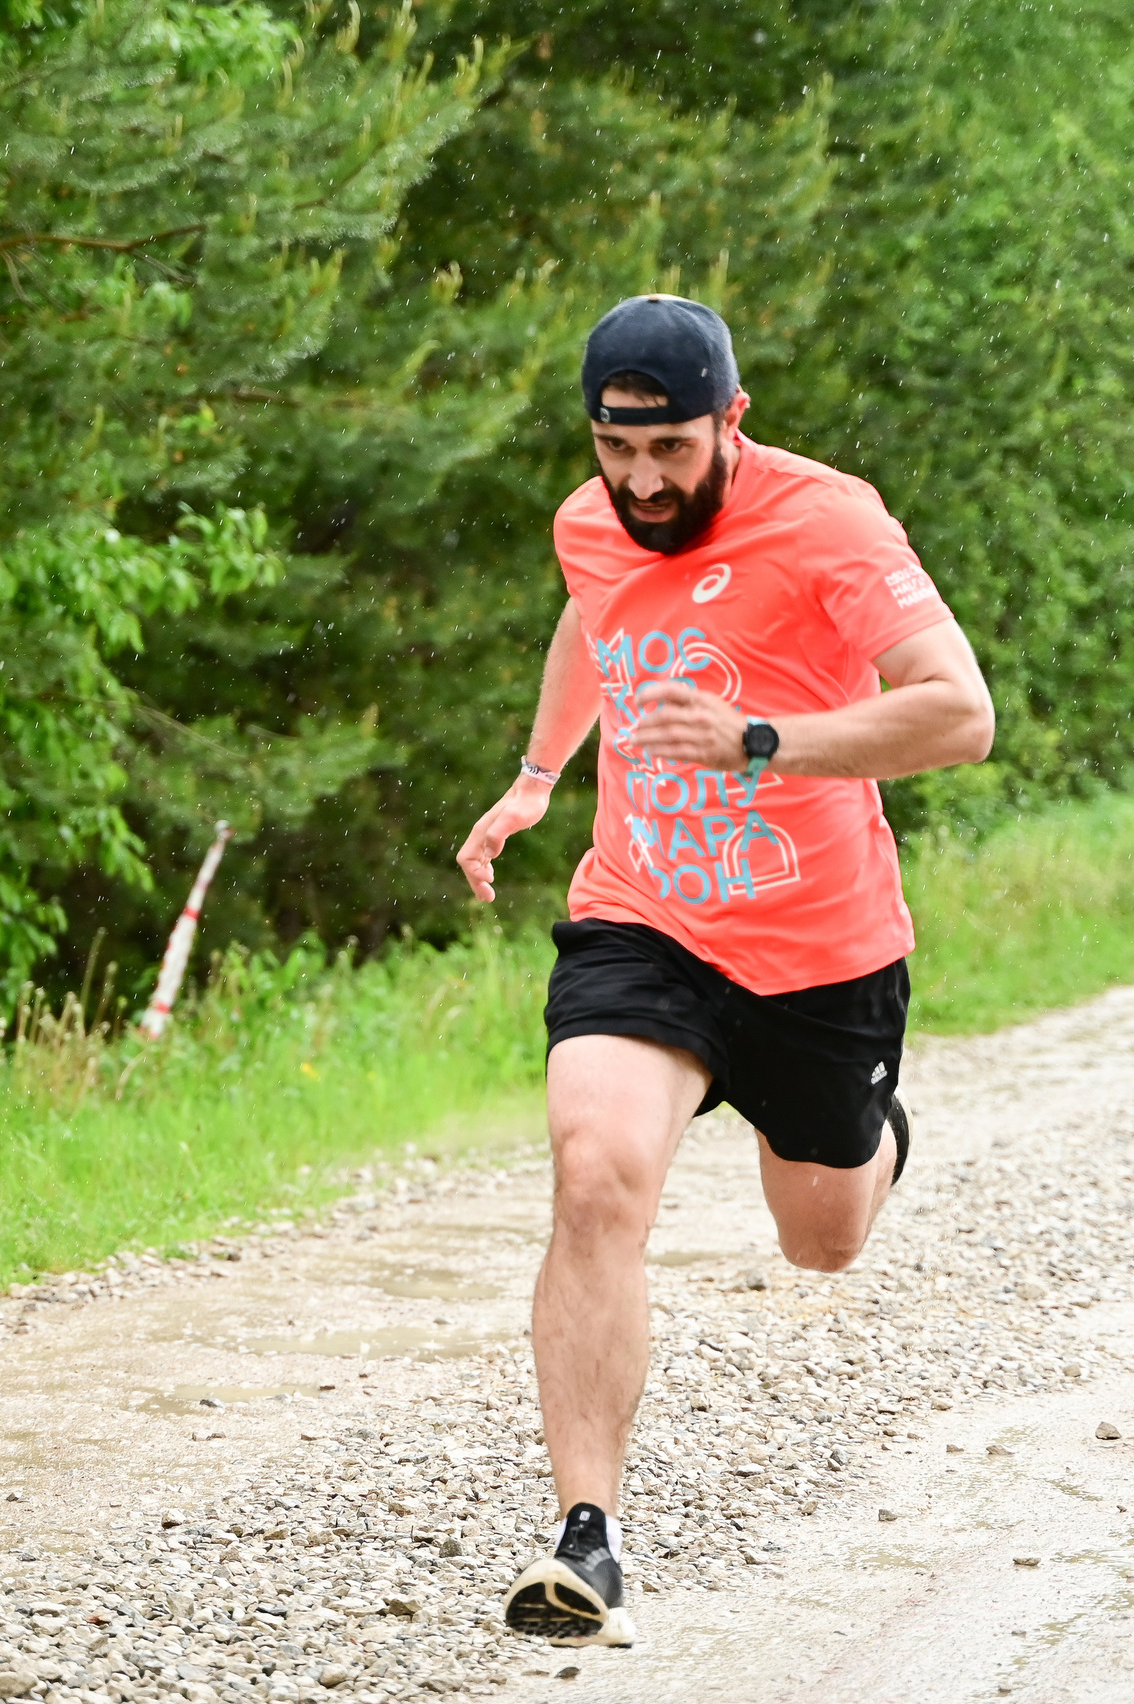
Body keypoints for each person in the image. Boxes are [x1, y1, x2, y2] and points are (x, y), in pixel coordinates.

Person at [454, 296, 994, 1648]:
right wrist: (534, 781)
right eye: (613, 450)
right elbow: (596, 620)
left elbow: (960, 713)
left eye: (671, 452)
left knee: (823, 1239)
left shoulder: (831, 522)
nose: (640, 482)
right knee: (595, 1175)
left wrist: (764, 741)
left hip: (821, 947)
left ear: (732, 424)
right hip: (645, 916)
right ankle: (590, 1535)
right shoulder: (591, 519)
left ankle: (869, 1140)